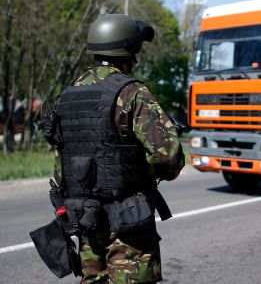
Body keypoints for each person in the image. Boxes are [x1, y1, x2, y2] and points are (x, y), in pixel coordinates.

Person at [45, 14, 185, 283]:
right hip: (128, 222)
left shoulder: (67, 95)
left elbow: (61, 165)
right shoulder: (131, 92)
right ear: (128, 50)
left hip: (85, 218)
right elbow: (168, 157)